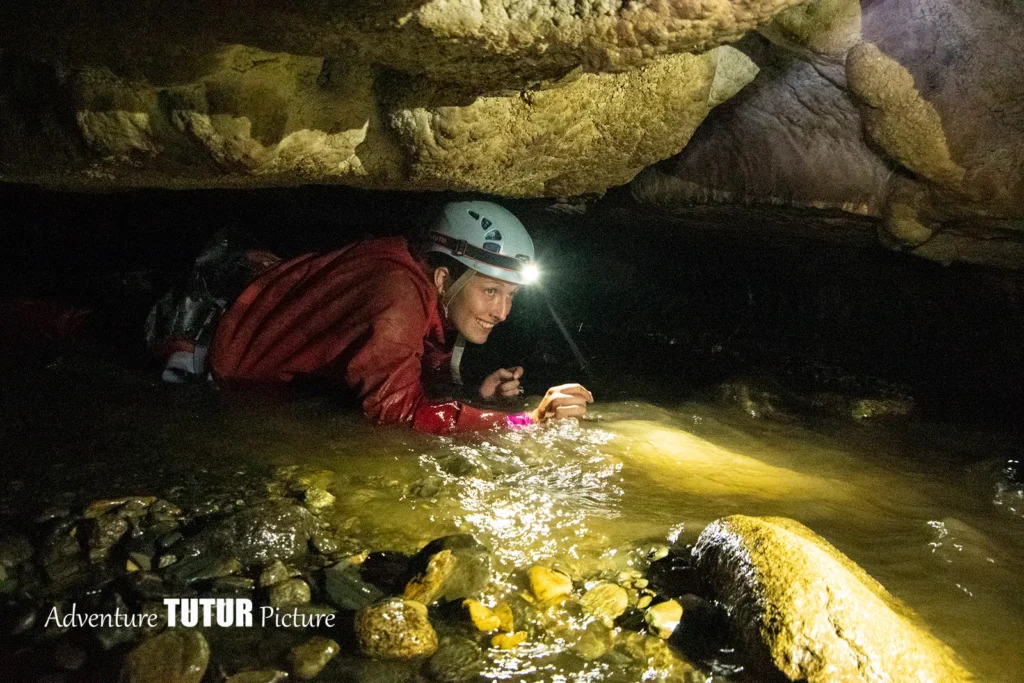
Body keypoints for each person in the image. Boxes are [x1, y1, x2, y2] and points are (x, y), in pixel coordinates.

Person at [150, 200, 593, 435]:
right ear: (442, 278)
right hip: (208, 348)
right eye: (491, 291)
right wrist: (521, 423)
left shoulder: (408, 277)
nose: (502, 312)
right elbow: (396, 416)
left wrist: (476, 392)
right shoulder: (398, 297)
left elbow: (404, 360)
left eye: (511, 295)